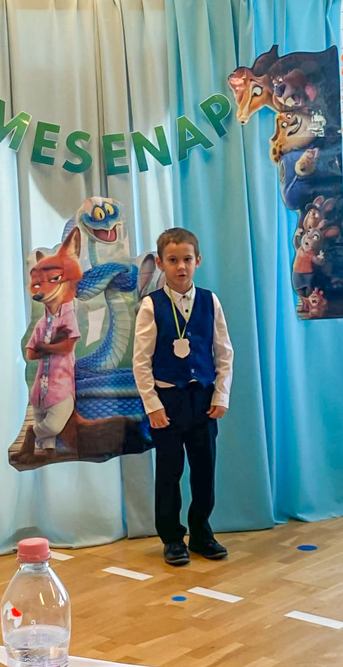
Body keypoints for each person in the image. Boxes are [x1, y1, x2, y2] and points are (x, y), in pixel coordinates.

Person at [133, 228, 233, 566]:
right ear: (160, 263)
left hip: (203, 399)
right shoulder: (152, 305)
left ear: (198, 261)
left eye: (187, 259)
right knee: (169, 471)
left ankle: (201, 533)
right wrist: (153, 405)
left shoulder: (210, 301)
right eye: (173, 260)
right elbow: (141, 361)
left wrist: (221, 394)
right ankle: (173, 538)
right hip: (168, 403)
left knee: (204, 469)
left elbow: (224, 352)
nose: (181, 267)